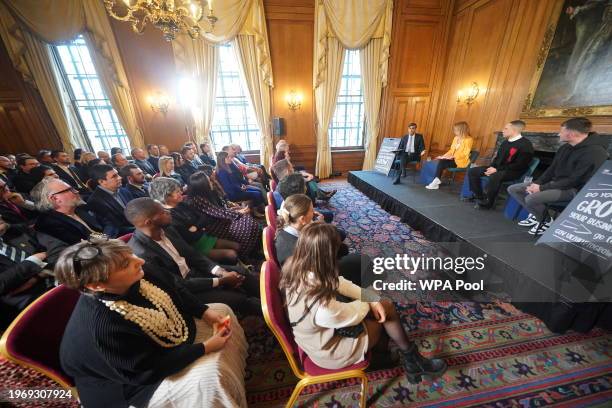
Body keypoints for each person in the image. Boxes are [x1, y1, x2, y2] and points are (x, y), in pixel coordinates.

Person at [57, 238, 248, 408]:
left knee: (220, 310)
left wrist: (204, 312)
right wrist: (204, 348)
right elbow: (146, 370)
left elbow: (176, 289)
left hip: (165, 336)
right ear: (97, 286)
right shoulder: (103, 327)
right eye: (125, 264)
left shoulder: (139, 270)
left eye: (131, 255)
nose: (139, 260)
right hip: (132, 383)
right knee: (207, 379)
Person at [281, 223, 446, 382]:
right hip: (331, 353)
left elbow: (339, 282)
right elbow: (355, 313)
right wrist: (372, 299)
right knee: (385, 309)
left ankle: (384, 357)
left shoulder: (300, 267)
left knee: (378, 306)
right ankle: (413, 362)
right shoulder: (324, 308)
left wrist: (371, 299)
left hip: (316, 338)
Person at [125, 198, 262, 317]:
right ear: (149, 222)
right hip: (184, 292)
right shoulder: (142, 255)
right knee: (240, 299)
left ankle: (270, 298)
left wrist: (220, 272)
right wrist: (221, 281)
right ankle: (272, 316)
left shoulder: (167, 229)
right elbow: (178, 285)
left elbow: (193, 255)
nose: (168, 212)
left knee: (241, 272)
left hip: (194, 273)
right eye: (162, 212)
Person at [508, 117, 609, 235]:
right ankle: (539, 215)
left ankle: (545, 221)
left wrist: (541, 188)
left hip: (575, 189)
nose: (558, 134)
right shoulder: (565, 147)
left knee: (531, 198)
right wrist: (538, 183)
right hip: (557, 184)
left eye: (561, 131)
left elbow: (575, 180)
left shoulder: (595, 152)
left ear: (570, 134)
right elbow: (552, 169)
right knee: (514, 189)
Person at [149, 177, 243, 264]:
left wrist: (196, 226)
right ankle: (234, 272)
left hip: (203, 237)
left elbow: (203, 217)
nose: (181, 192)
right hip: (194, 246)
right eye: (177, 191)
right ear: (166, 197)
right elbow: (188, 237)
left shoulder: (182, 204)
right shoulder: (167, 216)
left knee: (237, 246)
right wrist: (198, 226)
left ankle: (243, 266)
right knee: (231, 254)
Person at [275, 194, 362, 284]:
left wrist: (315, 224)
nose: (314, 212)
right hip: (315, 279)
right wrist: (320, 226)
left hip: (311, 266)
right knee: (358, 260)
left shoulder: (287, 228)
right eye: (312, 210)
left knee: (342, 248)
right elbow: (316, 269)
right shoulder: (294, 247)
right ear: (302, 219)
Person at [186, 172, 261, 260]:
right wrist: (239, 213)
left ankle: (253, 250)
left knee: (249, 222)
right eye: (208, 181)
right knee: (247, 226)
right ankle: (246, 254)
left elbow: (221, 207)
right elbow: (217, 212)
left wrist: (236, 211)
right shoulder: (197, 199)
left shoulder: (207, 193)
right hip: (212, 226)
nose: (211, 181)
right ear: (202, 186)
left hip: (218, 220)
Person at [468, 120, 534, 209]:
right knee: (473, 171)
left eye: (506, 128)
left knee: (495, 176)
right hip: (498, 168)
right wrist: (492, 167)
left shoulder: (526, 145)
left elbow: (520, 165)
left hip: (513, 171)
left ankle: (489, 202)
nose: (503, 130)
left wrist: (496, 169)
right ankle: (479, 196)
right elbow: (497, 158)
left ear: (514, 131)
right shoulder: (505, 142)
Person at [0, 217, 52, 327]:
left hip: (57, 277)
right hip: (30, 305)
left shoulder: (15, 231)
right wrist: (33, 262)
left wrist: (36, 276)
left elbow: (53, 249)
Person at [35, 179, 111, 243]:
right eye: (69, 190)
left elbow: (108, 222)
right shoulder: (49, 224)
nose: (76, 191)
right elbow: (81, 245)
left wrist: (108, 237)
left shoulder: (79, 207)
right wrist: (108, 239)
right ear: (55, 199)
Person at [87, 164, 135, 236]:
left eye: (118, 174)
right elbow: (115, 228)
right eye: (114, 176)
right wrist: (139, 228)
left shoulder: (123, 190)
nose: (120, 177)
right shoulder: (95, 202)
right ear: (101, 182)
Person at [425, 121, 473, 190]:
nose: (454, 132)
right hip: (452, 159)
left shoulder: (469, 140)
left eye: (456, 130)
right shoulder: (456, 138)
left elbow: (465, 153)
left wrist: (454, 156)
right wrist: (444, 156)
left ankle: (436, 181)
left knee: (442, 163)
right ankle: (436, 180)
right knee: (441, 161)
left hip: (460, 161)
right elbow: (451, 150)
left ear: (462, 130)